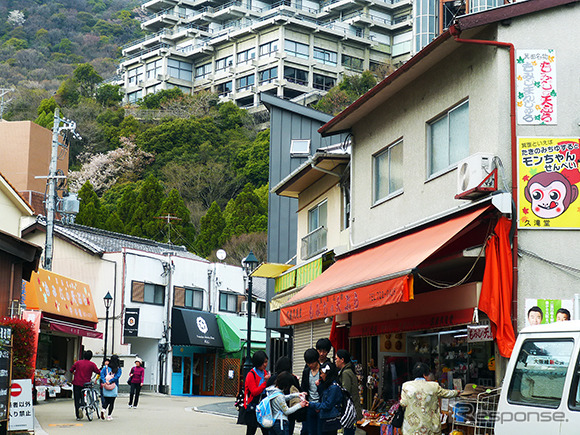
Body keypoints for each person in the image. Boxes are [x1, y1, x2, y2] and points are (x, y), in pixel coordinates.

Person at [400, 362, 459, 435]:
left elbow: (403, 403)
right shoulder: (434, 386)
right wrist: (457, 392)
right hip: (430, 427)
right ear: (425, 374)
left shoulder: (406, 386)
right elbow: (447, 393)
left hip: (411, 428)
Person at [267, 356, 302, 435]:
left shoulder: (272, 379)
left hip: (272, 415)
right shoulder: (292, 378)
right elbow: (299, 390)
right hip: (288, 415)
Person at [309, 362, 342, 435]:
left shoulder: (334, 387)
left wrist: (312, 404)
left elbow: (328, 405)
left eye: (322, 373)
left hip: (331, 420)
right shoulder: (327, 385)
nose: (320, 376)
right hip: (325, 418)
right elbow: (322, 396)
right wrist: (319, 386)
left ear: (327, 374)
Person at [243, 350, 271, 435]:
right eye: (263, 363)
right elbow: (254, 392)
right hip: (253, 405)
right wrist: (265, 383)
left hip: (263, 405)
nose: (265, 365)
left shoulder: (265, 373)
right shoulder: (251, 374)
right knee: (251, 430)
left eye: (266, 362)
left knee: (266, 429)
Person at [335, 350, 362, 435]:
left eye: (336, 359)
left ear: (342, 360)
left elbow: (345, 392)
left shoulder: (346, 373)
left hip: (349, 411)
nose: (335, 361)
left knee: (348, 431)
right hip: (352, 409)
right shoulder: (348, 371)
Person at [69, 350, 100, 420]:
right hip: (86, 384)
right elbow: (98, 371)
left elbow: (71, 370)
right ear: (91, 357)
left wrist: (75, 373)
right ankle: (82, 406)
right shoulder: (92, 364)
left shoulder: (78, 363)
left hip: (76, 383)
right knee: (84, 397)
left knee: (77, 399)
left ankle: (78, 415)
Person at [301, 348, 321, 435]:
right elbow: (304, 387)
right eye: (308, 363)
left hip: (321, 406)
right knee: (310, 432)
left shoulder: (323, 371)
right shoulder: (306, 372)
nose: (310, 365)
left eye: (312, 362)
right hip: (309, 405)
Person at [100, 354, 122, 421]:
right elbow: (117, 376)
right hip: (114, 385)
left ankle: (103, 409)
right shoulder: (118, 368)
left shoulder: (106, 368)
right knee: (112, 401)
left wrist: (105, 381)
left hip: (106, 385)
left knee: (106, 399)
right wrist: (111, 381)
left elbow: (101, 374)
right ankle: (109, 416)